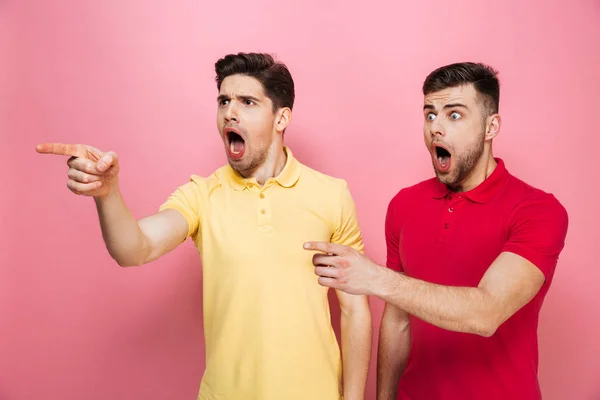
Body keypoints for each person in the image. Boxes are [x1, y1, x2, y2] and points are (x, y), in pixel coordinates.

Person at [36, 52, 372, 400]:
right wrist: (107, 193)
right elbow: (134, 248)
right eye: (224, 101)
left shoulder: (331, 195)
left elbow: (354, 309)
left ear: (281, 118)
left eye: (247, 102)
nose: (230, 111)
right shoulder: (202, 194)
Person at [304, 62, 569, 400]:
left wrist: (376, 279)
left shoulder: (537, 210)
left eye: (454, 115)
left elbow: (487, 313)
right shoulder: (405, 204)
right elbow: (398, 321)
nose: (436, 128)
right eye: (430, 115)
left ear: (491, 126)